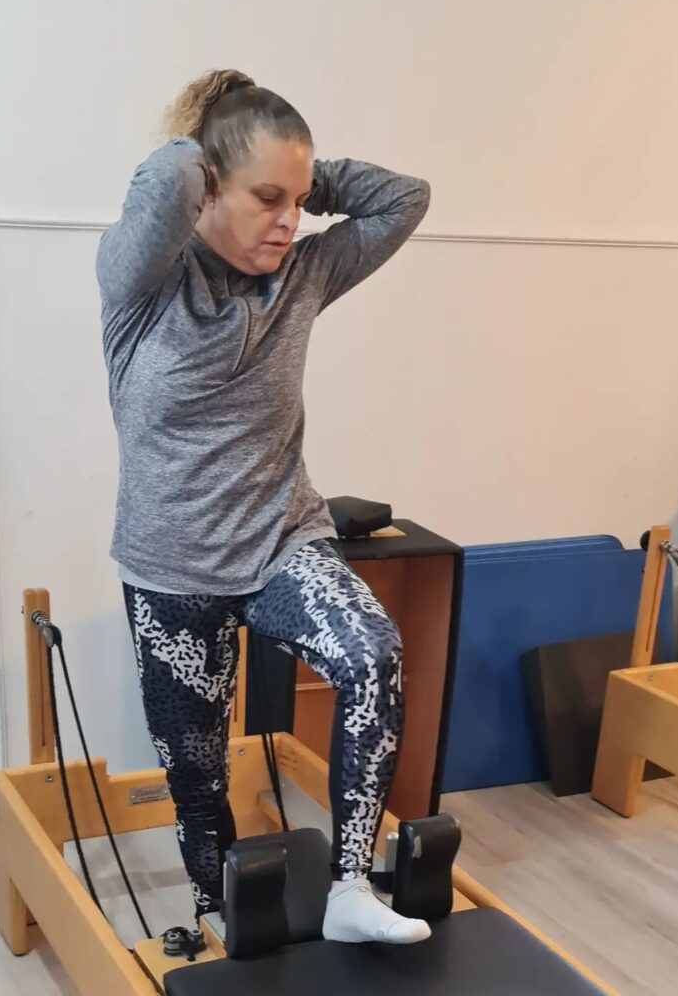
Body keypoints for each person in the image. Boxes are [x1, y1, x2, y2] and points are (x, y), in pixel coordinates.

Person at [97, 69, 431, 944]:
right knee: (197, 775)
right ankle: (219, 920)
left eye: (300, 201)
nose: (290, 221)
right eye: (267, 199)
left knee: (372, 655)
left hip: (283, 542)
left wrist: (302, 177)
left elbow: (405, 198)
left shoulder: (304, 274)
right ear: (208, 187)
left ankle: (351, 888)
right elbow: (164, 184)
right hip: (171, 570)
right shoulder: (141, 284)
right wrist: (203, 153)